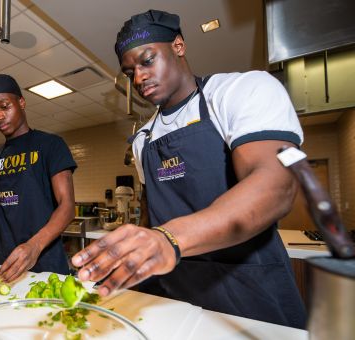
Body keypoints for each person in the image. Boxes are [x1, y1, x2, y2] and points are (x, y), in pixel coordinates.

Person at [71, 10, 307, 328]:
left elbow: (275, 185)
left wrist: (169, 239)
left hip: (250, 292)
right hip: (173, 296)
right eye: (129, 73)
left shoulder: (238, 92)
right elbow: (150, 215)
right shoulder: (143, 138)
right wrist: (135, 257)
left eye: (147, 61)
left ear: (178, 45)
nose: (138, 78)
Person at [0, 74, 77, 283]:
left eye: (4, 107)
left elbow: (67, 207)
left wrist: (34, 246)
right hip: (0, 262)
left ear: (21, 102)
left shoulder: (50, 145)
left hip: (43, 262)